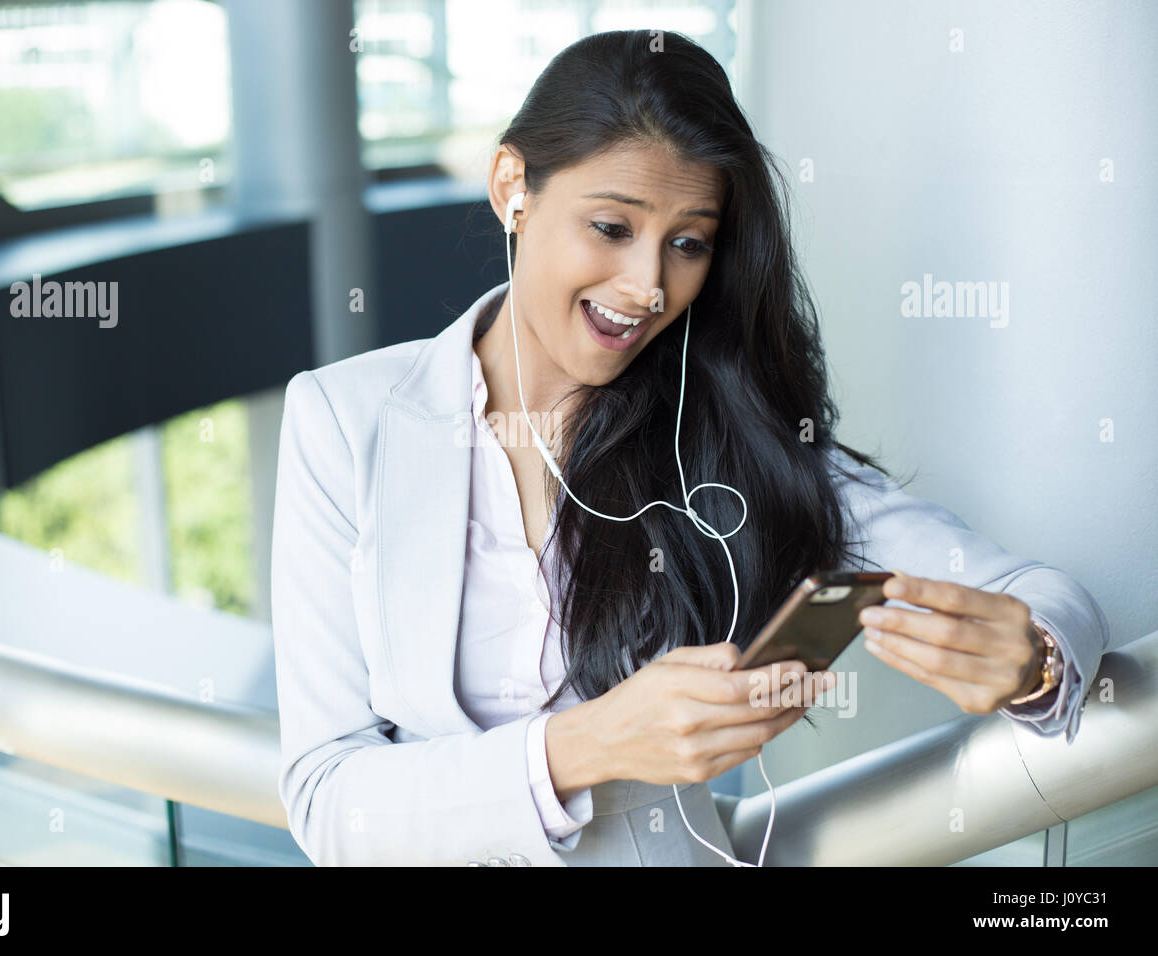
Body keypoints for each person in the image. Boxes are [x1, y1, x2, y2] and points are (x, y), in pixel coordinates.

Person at [269, 30, 1108, 866]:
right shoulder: (345, 422)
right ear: (511, 187)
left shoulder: (722, 431)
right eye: (610, 226)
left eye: (688, 242)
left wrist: (1032, 659)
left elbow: (1045, 595)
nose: (647, 286)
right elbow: (329, 799)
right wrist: (587, 746)